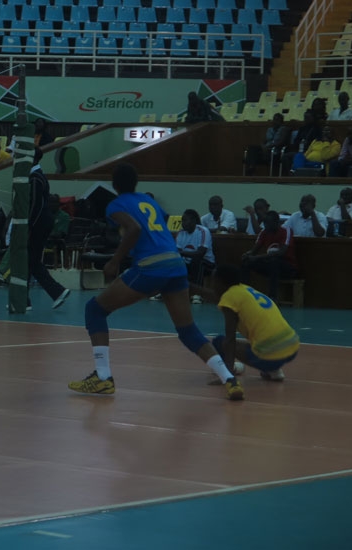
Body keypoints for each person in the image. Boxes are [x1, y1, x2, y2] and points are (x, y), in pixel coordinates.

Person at [67, 164, 244, 400]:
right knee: (188, 330)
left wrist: (115, 261)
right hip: (175, 263)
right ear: (136, 183)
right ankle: (229, 380)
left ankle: (102, 377)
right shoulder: (148, 201)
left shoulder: (116, 204)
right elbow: (163, 222)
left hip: (151, 266)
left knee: (95, 309)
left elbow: (134, 229)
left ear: (115, 184)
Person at [197, 265, 300, 383]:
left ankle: (232, 370)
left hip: (271, 355)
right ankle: (273, 369)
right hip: (292, 347)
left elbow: (230, 340)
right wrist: (189, 287)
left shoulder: (229, 298)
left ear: (221, 282)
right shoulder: (244, 290)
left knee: (219, 342)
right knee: (257, 341)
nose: (212, 285)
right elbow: (216, 296)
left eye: (214, 281)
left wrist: (228, 376)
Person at [26, 147, 70, 309]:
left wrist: (29, 225)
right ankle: (55, 292)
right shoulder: (36, 176)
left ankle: (55, 291)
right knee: (31, 261)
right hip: (41, 223)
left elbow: (36, 206)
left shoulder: (35, 178)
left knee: (30, 260)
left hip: (39, 224)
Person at [241, 211, 298, 302]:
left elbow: (281, 253)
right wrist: (247, 254)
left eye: (268, 223)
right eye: (265, 223)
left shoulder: (286, 231)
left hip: (288, 267)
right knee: (246, 262)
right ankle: (245, 293)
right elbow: (254, 250)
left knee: (274, 262)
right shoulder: (264, 232)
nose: (265, 225)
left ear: (276, 222)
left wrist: (256, 257)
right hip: (271, 265)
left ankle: (272, 297)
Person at [175, 209, 215, 304]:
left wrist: (181, 253)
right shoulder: (181, 233)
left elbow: (200, 253)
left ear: (193, 221)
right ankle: (169, 291)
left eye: (185, 220)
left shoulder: (203, 231)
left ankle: (198, 294)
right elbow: (176, 251)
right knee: (173, 263)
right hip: (187, 261)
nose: (183, 223)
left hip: (207, 262)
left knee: (197, 262)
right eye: (182, 221)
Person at [282, 109, 323, 174]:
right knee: (286, 156)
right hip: (299, 150)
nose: (305, 119)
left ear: (313, 118)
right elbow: (296, 141)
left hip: (310, 151)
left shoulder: (317, 129)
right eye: (305, 117)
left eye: (308, 118)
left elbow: (318, 143)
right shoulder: (302, 128)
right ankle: (289, 176)